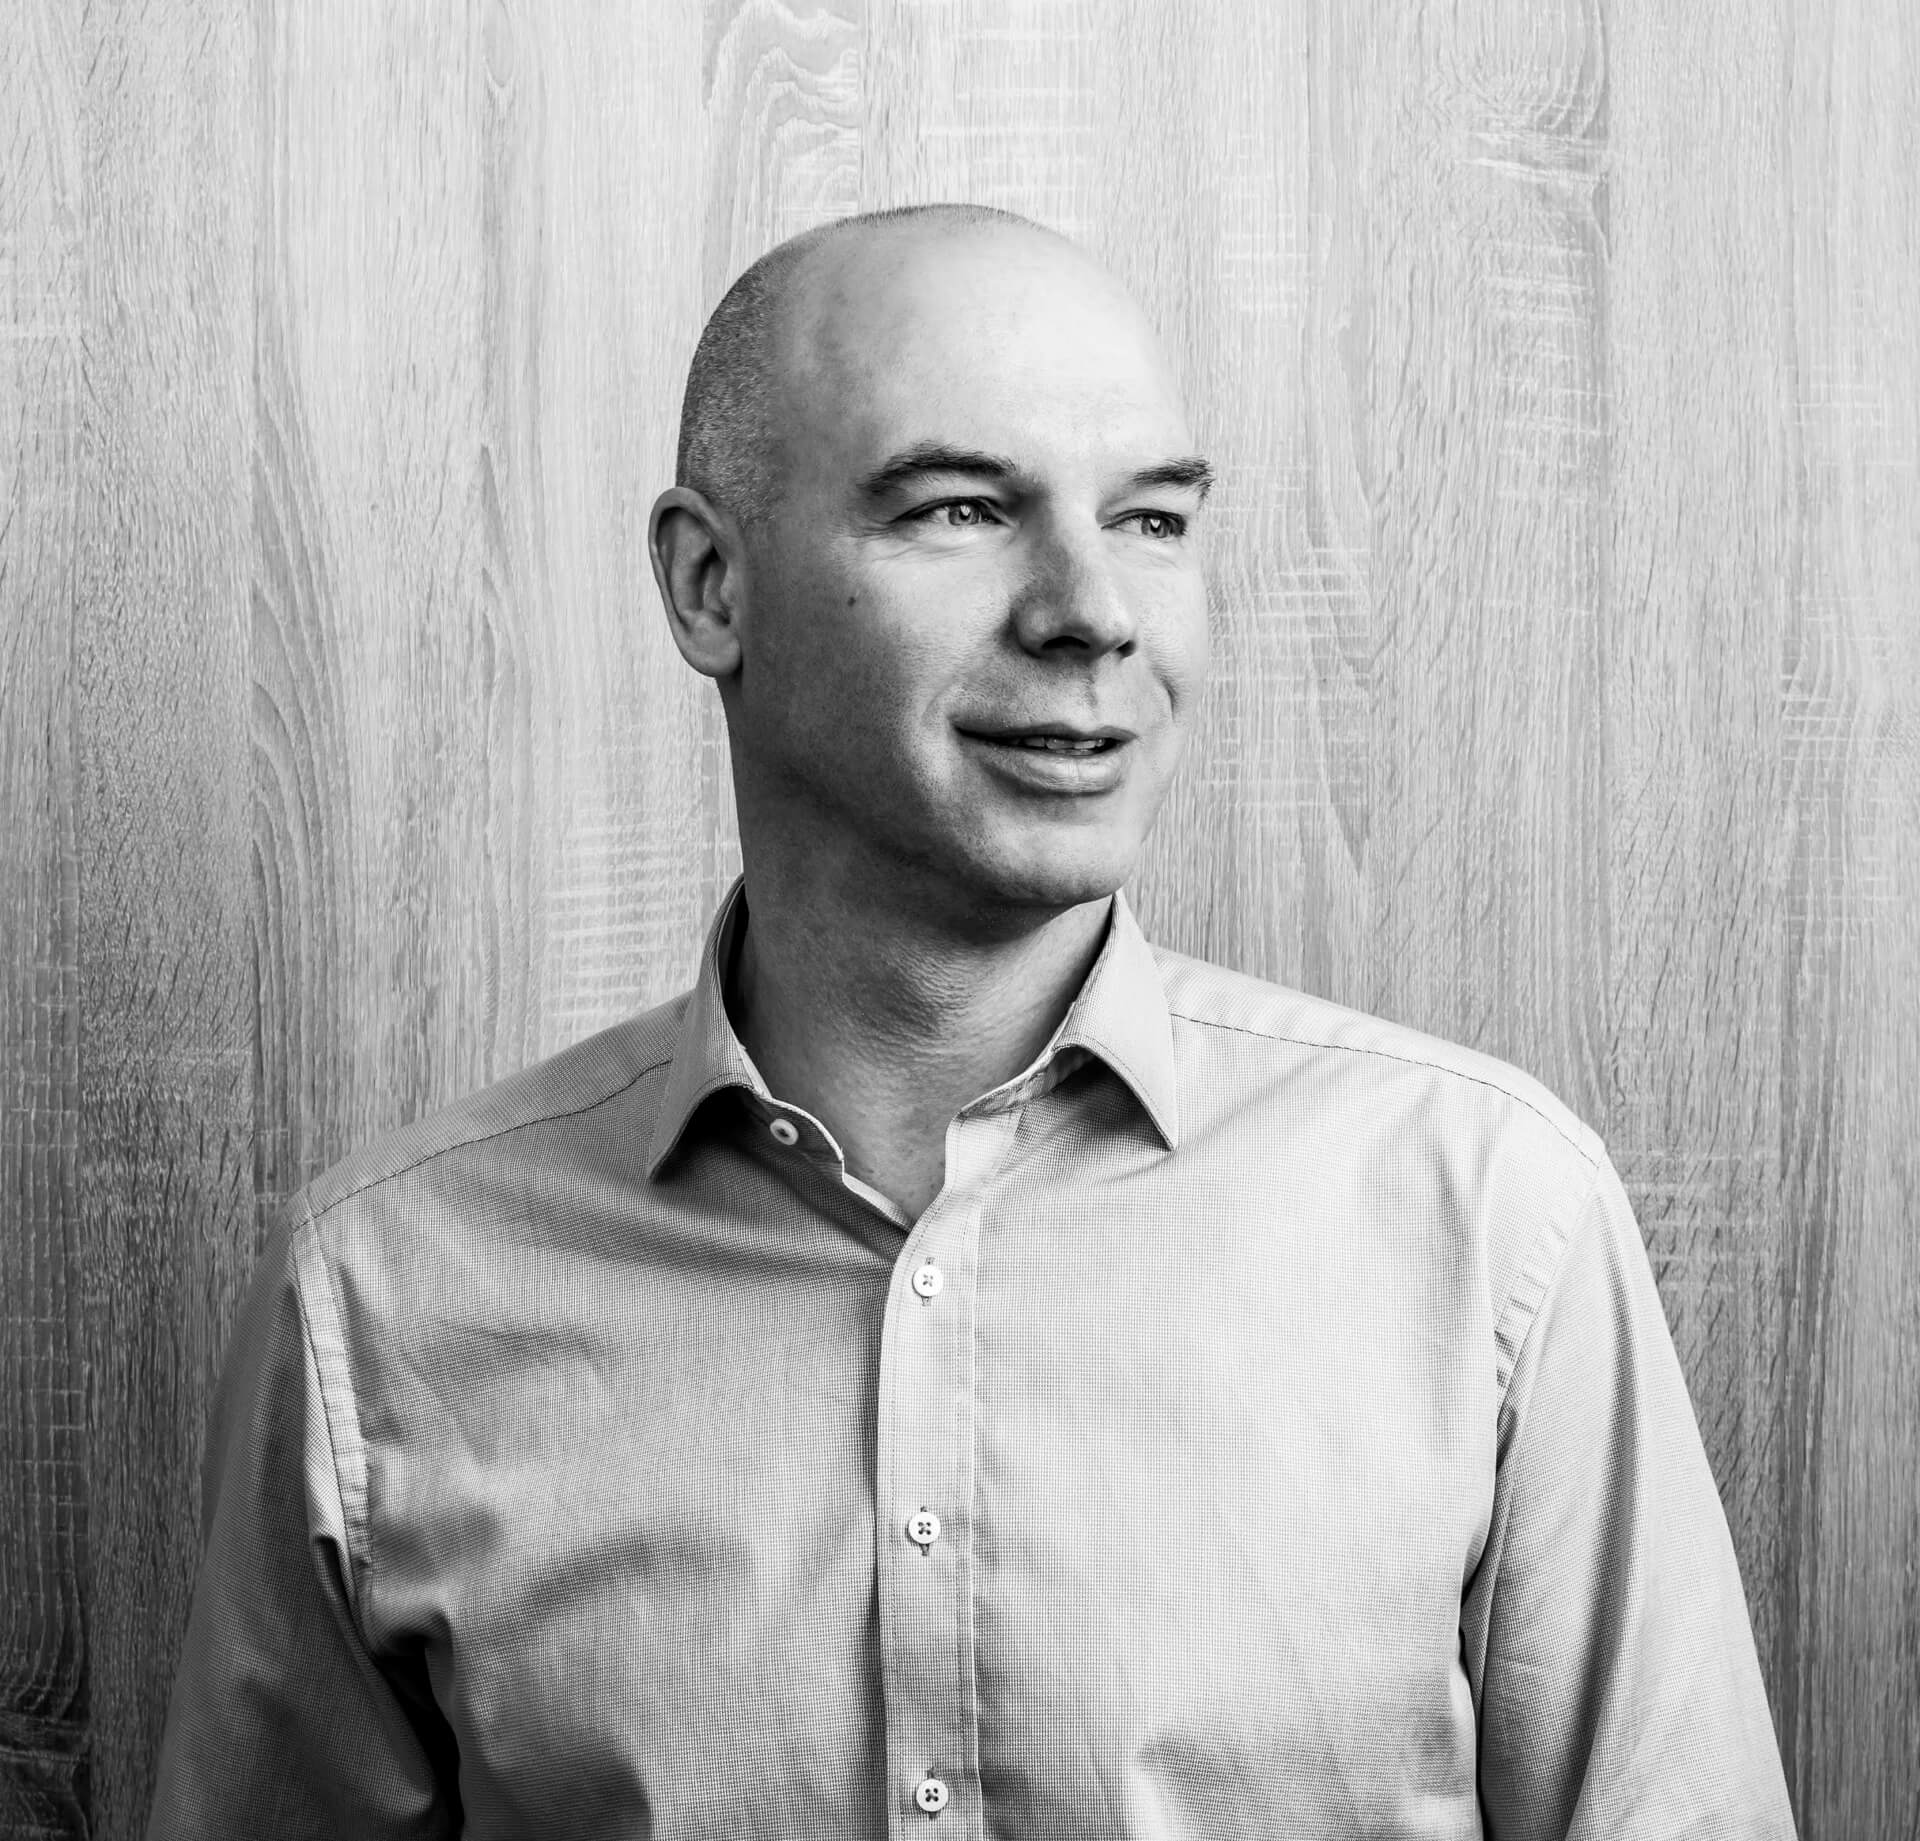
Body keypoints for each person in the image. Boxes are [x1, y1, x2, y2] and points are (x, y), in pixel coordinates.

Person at [147, 204, 1796, 1839]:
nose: (1093, 609)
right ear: (710, 584)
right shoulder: (386, 1298)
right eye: (959, 509)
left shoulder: (1492, 1222)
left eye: (1153, 521)